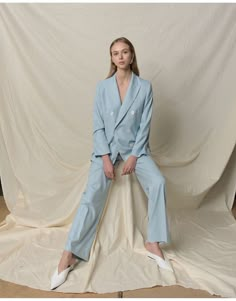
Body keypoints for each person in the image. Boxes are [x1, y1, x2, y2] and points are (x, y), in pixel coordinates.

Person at [50, 37, 173, 290]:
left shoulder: (145, 87)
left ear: (131, 55)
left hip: (134, 150)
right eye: (115, 53)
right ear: (111, 58)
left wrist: (134, 156)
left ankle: (153, 243)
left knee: (158, 182)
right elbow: (97, 126)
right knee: (91, 195)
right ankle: (69, 254)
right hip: (105, 150)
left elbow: (145, 125)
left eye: (124, 52)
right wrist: (105, 157)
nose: (120, 57)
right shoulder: (102, 87)